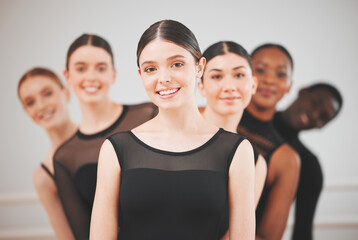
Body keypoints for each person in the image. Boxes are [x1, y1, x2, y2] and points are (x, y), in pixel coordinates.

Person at [90, 20, 255, 240]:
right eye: (151, 69)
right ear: (141, 75)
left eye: (176, 64)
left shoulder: (236, 150)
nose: (164, 78)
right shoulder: (116, 149)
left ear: (199, 67)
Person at [53, 34, 158, 239]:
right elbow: (83, 234)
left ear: (113, 74)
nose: (91, 77)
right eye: (81, 68)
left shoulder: (148, 114)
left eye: (101, 68)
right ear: (67, 76)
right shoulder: (65, 157)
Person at [198, 41, 267, 239]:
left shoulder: (255, 162)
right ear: (201, 86)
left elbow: (234, 235)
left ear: (253, 84)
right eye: (217, 76)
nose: (229, 87)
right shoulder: (170, 135)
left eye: (239, 75)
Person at [237, 43, 300, 240]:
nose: (270, 80)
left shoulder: (287, 159)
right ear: (243, 74)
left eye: (280, 75)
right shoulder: (206, 117)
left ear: (289, 85)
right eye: (261, 70)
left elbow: (269, 237)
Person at [273, 82, 343, 240]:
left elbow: (302, 233)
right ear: (302, 91)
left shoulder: (309, 166)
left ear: (322, 126)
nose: (314, 114)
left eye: (323, 117)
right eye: (315, 103)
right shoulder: (241, 119)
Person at [17, 67, 77, 239]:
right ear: (27, 112)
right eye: (30, 102)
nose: (41, 106)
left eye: (47, 93)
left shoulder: (107, 141)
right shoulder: (44, 177)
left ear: (66, 93)